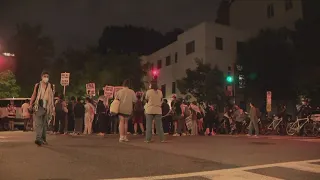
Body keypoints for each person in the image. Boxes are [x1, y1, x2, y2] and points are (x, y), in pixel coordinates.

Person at [29, 71, 54, 146]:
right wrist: (30, 104)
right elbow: (34, 95)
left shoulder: (51, 86)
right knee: (38, 123)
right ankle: (38, 139)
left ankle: (43, 139)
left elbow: (52, 97)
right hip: (38, 106)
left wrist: (52, 107)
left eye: (47, 76)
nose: (46, 78)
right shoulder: (38, 85)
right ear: (41, 77)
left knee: (44, 124)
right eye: (44, 76)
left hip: (47, 106)